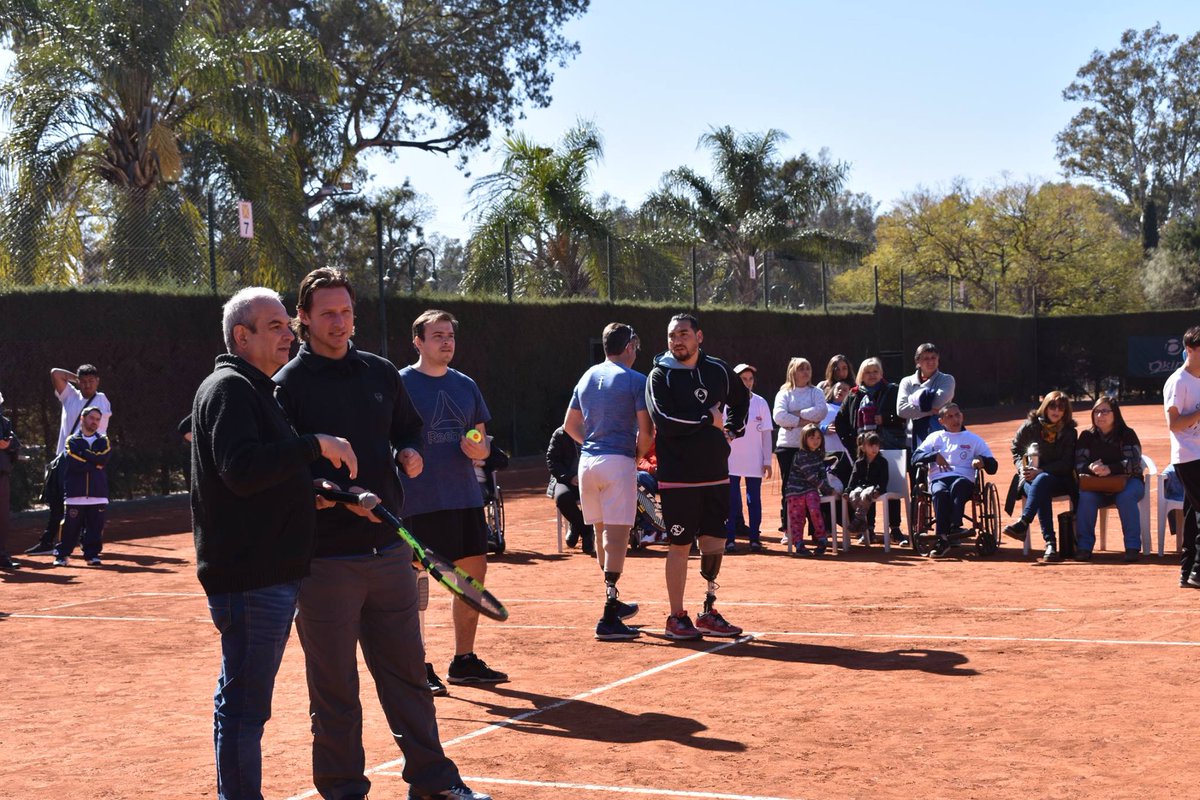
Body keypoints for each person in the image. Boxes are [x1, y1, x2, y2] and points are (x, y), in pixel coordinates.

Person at [274, 270, 490, 800]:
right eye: (327, 313)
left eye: (346, 311)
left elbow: (406, 427)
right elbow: (281, 468)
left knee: (408, 680)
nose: (339, 322)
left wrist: (409, 450)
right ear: (303, 317)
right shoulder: (286, 386)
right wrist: (319, 492)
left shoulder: (378, 373)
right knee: (335, 691)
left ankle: (434, 782)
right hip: (325, 563)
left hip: (390, 551)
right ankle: (344, 790)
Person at [190, 286, 357, 800]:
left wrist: (308, 494)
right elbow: (240, 470)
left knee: (238, 702)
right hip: (252, 579)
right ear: (242, 336)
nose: (290, 334)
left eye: (289, 324)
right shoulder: (230, 389)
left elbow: (254, 476)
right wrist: (316, 445)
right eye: (277, 327)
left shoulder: (255, 388)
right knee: (245, 710)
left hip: (265, 575)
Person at [400, 309, 505, 685]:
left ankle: (464, 659)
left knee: (472, 578)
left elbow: (479, 435)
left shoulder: (465, 385)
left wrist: (479, 448)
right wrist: (402, 454)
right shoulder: (401, 384)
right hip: (417, 500)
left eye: (450, 336)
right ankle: (417, 664)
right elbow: (387, 437)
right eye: (437, 336)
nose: (446, 342)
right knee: (413, 583)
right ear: (419, 342)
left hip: (464, 497)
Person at [646, 313, 749, 641]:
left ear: (699, 337)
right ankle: (676, 616)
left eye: (684, 334)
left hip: (716, 473)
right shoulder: (659, 375)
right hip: (678, 478)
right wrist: (708, 418)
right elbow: (665, 420)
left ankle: (708, 610)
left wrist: (732, 430)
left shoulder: (718, 369)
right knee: (679, 545)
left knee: (714, 544)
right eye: (673, 335)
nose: (678, 340)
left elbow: (741, 398)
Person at [563, 322, 653, 640]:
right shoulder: (636, 380)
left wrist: (591, 443)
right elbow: (647, 431)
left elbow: (569, 425)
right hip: (617, 462)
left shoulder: (586, 376)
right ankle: (609, 616)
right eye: (636, 347)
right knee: (616, 537)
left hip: (588, 463)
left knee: (602, 533)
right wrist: (636, 455)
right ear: (628, 347)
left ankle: (611, 600)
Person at [25, 364, 112, 555]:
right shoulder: (71, 396)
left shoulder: (101, 400)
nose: (88, 385)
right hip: (64, 458)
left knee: (83, 503)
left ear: (98, 381)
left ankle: (82, 542)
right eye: (85, 381)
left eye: (92, 381)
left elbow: (95, 430)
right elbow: (55, 373)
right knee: (58, 501)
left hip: (86, 459)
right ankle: (50, 542)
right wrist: (77, 380)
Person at [835, 357, 907, 544]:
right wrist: (851, 442)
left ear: (881, 373)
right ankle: (869, 529)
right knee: (867, 487)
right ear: (861, 375)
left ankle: (895, 529)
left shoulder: (892, 390)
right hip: (862, 450)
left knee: (890, 487)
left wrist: (885, 418)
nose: (872, 375)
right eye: (867, 372)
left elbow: (902, 416)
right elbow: (841, 421)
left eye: (875, 371)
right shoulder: (853, 394)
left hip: (889, 446)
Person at [911, 404, 998, 558]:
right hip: (939, 478)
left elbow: (993, 466)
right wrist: (933, 456)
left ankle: (951, 528)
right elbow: (915, 458)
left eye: (957, 415)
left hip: (964, 478)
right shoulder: (934, 437)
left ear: (962, 416)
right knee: (939, 492)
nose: (955, 419)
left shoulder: (974, 439)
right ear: (941, 421)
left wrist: (982, 460)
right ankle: (944, 538)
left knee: (958, 485)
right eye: (949, 417)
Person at [1003, 390, 1077, 562]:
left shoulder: (1069, 432)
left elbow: (1067, 463)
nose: (1056, 410)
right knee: (1040, 488)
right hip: (1030, 478)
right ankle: (1050, 544)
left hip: (1059, 479)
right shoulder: (1030, 426)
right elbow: (1016, 450)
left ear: (1066, 411)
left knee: (1042, 481)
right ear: (1045, 407)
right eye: (1052, 405)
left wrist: (1042, 471)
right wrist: (1022, 468)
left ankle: (1025, 524)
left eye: (1061, 407)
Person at [1074, 397, 1145, 562]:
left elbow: (1133, 462)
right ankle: (1084, 547)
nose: (1100, 415)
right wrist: (1091, 468)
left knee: (1125, 497)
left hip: (1129, 482)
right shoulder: (1086, 436)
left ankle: (1132, 547)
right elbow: (1078, 464)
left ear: (1115, 414)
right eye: (1097, 411)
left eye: (1105, 411)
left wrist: (1110, 469)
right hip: (1096, 484)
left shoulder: (1127, 434)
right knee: (1085, 497)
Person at [50, 406, 111, 567]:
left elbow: (103, 460)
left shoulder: (103, 440)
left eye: (98, 419)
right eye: (92, 418)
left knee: (95, 528)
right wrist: (94, 462)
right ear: (82, 419)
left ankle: (92, 555)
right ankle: (62, 555)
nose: (95, 422)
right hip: (75, 494)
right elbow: (74, 463)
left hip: (98, 493)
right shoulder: (72, 440)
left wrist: (84, 454)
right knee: (69, 528)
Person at [772, 357, 827, 534]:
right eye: (801, 369)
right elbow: (779, 416)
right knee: (789, 488)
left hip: (811, 448)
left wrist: (794, 417)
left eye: (808, 368)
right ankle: (789, 530)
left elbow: (821, 411)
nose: (805, 372)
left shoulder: (816, 392)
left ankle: (815, 531)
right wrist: (807, 420)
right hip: (787, 447)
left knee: (813, 487)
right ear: (792, 372)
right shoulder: (784, 393)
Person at [725, 363, 773, 554]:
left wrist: (767, 461)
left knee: (754, 500)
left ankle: (754, 539)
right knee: (731, 501)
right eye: (743, 379)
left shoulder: (761, 403)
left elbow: (766, 434)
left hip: (754, 461)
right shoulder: (726, 402)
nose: (747, 382)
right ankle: (729, 540)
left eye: (750, 379)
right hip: (730, 461)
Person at [782, 423, 834, 556]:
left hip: (810, 491)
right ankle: (798, 544)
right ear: (804, 439)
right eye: (811, 438)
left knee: (815, 511)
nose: (815, 441)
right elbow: (811, 477)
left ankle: (822, 539)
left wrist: (828, 488)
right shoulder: (800, 455)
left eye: (818, 438)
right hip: (795, 491)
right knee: (797, 517)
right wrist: (829, 490)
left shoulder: (818, 456)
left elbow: (822, 475)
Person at [545, 426, 594, 554]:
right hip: (566, 480)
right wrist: (570, 477)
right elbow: (552, 460)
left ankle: (576, 525)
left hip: (592, 480)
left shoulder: (596, 430)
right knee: (562, 497)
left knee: (599, 495)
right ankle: (586, 531)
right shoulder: (560, 433)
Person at [897, 343, 956, 447]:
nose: (930, 361)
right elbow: (901, 410)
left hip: (942, 437)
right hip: (913, 439)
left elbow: (938, 403)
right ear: (917, 361)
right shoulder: (906, 382)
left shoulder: (947, 380)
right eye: (925, 358)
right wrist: (930, 410)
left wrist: (913, 402)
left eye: (933, 357)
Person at [845, 431, 888, 538]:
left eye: (876, 445)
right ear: (863, 448)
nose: (874, 448)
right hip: (861, 487)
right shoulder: (859, 463)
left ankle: (859, 521)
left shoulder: (882, 462)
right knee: (854, 495)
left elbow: (884, 479)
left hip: (874, 488)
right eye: (871, 445)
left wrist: (879, 489)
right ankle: (863, 523)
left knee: (866, 494)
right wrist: (847, 490)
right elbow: (853, 479)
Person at [0, 392, 22, 569]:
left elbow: (16, 443)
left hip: (1, 475)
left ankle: (1, 556)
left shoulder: (4, 423)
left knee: (2, 518)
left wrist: (8, 445)